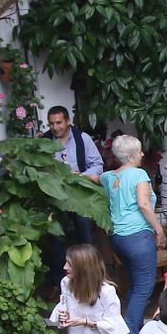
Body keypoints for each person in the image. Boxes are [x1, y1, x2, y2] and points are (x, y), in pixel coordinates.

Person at [103, 134, 163, 334]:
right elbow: (144, 205)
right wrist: (160, 231)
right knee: (145, 287)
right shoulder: (139, 174)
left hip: (117, 238)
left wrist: (75, 174)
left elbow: (92, 178)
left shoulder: (108, 177)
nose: (142, 154)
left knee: (133, 286)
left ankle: (133, 332)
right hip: (137, 237)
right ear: (130, 156)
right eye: (139, 151)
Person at [46, 106, 105, 272]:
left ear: (68, 121)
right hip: (56, 197)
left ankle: (92, 276)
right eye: (51, 124)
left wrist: (81, 176)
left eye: (59, 123)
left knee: (85, 237)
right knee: (56, 241)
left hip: (80, 196)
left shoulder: (82, 138)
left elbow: (97, 165)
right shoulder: (45, 141)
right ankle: (59, 283)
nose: (55, 127)